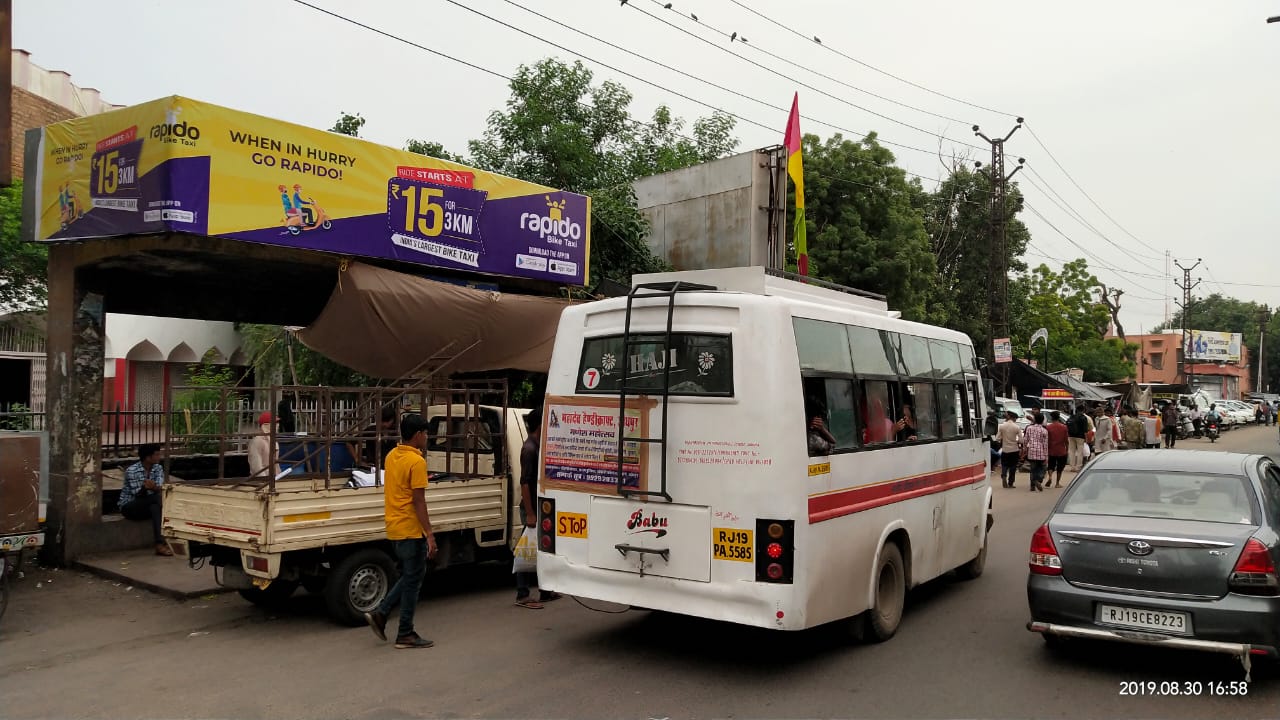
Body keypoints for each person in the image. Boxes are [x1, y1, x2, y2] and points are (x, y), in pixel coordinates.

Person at [365, 414, 437, 649]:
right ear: (417, 435)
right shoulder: (417, 463)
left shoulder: (391, 456)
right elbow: (419, 501)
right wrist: (429, 533)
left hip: (395, 527)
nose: (427, 437)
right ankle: (404, 632)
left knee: (410, 576)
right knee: (412, 580)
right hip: (411, 529)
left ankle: (382, 614)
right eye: (425, 433)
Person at [514, 407, 561, 609]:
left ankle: (545, 590)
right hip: (531, 507)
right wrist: (531, 513)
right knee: (527, 548)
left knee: (542, 546)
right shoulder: (529, 449)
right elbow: (524, 483)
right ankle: (522, 594)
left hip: (540, 506)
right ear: (540, 426)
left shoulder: (537, 445)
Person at [119, 443, 172, 556]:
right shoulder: (132, 471)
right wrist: (149, 488)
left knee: (155, 507)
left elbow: (160, 486)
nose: (159, 457)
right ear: (148, 457)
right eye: (157, 454)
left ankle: (159, 544)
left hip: (148, 504)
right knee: (156, 499)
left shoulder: (158, 468)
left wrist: (153, 487)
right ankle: (164, 542)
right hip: (130, 507)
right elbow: (137, 495)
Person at [350, 404, 399, 468]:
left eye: (387, 421)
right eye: (382, 421)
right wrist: (357, 460)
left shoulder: (394, 432)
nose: (384, 424)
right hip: (373, 467)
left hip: (390, 466)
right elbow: (350, 442)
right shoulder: (371, 430)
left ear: (392, 420)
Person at [1021, 412, 1050, 492]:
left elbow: (1025, 440)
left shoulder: (1029, 428)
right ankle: (1039, 480)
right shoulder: (1044, 431)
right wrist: (1046, 456)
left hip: (1031, 452)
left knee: (1033, 469)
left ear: (1035, 420)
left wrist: (1025, 450)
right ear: (1042, 420)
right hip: (1041, 453)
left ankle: (1032, 486)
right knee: (1043, 469)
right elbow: (1045, 444)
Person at [248, 412, 280, 480]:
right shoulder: (257, 441)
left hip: (274, 478)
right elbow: (256, 466)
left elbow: (276, 464)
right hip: (261, 480)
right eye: (275, 423)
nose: (278, 425)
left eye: (277, 423)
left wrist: (279, 476)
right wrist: (264, 479)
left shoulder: (274, 441)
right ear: (266, 425)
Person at [996, 411, 1023, 488]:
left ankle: (1004, 475)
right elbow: (1021, 441)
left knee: (1004, 464)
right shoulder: (1017, 427)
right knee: (1013, 466)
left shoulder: (1001, 426)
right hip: (1014, 449)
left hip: (1005, 449)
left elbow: (997, 438)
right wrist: (1016, 441)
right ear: (1013, 418)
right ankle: (1010, 483)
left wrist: (1003, 438)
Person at [1045, 411, 1069, 488]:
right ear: (1059, 418)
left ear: (1052, 418)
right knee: (1060, 467)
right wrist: (1067, 449)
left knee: (1051, 465)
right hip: (1061, 450)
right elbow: (1066, 440)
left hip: (1051, 449)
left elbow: (1047, 439)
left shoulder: (1048, 427)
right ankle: (1057, 483)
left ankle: (1050, 477)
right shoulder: (1064, 427)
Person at [1066, 405, 1089, 472]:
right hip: (1080, 436)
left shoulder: (1072, 416)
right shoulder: (1083, 417)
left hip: (1071, 436)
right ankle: (1078, 467)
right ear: (1083, 410)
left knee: (1071, 451)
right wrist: (1086, 438)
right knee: (1080, 452)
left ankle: (1072, 467)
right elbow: (1085, 430)